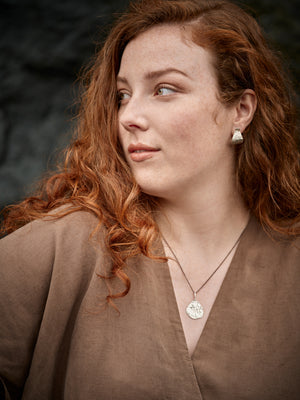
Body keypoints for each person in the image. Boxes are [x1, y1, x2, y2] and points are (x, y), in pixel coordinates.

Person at [1, 0, 299, 398]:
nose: (128, 116)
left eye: (164, 89)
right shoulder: (63, 245)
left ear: (240, 110)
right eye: (123, 95)